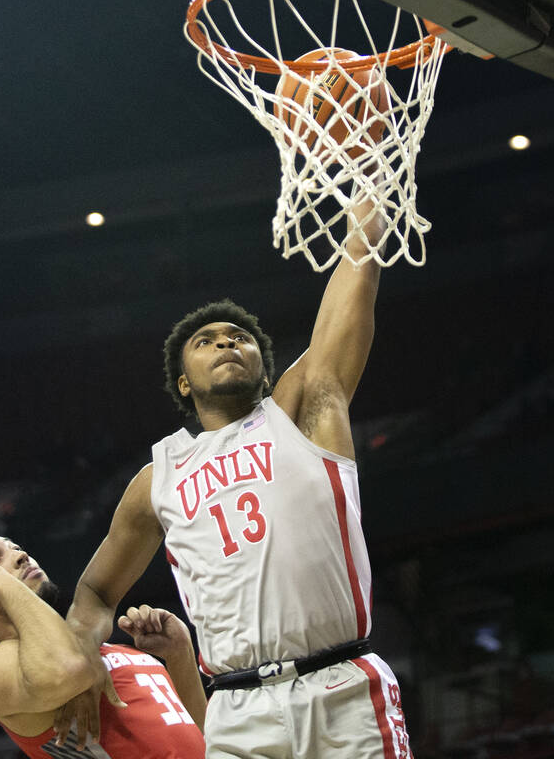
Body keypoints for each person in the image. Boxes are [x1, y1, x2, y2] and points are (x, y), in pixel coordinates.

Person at [64, 185, 413, 758]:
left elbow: (353, 290)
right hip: (235, 709)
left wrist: (367, 204)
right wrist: (80, 653)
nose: (226, 340)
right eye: (206, 341)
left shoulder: (302, 411)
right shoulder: (159, 477)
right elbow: (96, 591)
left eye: (241, 338)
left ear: (262, 365)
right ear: (184, 382)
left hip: (341, 688)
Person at [0, 531, 206, 758]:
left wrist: (179, 654)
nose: (20, 555)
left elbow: (205, 735)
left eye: (16, 546)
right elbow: (70, 670)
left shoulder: (113, 650)